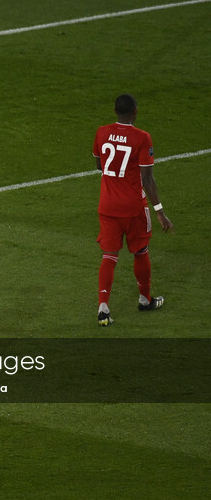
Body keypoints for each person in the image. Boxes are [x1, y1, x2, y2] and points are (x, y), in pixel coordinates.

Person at [93, 93, 173, 326]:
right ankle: (144, 299)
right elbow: (148, 180)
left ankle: (103, 308)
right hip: (133, 207)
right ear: (135, 112)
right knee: (140, 251)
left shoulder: (102, 132)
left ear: (115, 111)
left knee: (109, 255)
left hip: (107, 205)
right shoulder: (142, 137)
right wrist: (159, 211)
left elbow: (100, 164)